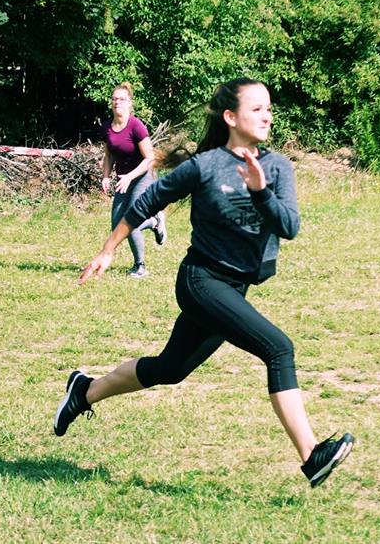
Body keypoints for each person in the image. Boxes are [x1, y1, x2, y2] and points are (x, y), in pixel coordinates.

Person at [55, 77, 354, 488]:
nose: (267, 116)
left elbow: (289, 227)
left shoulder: (277, 167)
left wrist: (261, 192)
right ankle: (311, 455)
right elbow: (147, 202)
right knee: (278, 348)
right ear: (230, 117)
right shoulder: (206, 166)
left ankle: (84, 391)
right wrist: (108, 250)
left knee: (170, 368)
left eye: (269, 108)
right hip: (201, 281)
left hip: (234, 288)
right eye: (256, 109)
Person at [101, 82, 167, 278]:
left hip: (143, 176)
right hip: (124, 179)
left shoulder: (136, 126)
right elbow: (108, 155)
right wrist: (106, 176)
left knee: (131, 221)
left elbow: (150, 158)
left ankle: (140, 266)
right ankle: (154, 221)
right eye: (114, 99)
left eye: (122, 99)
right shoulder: (106, 127)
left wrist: (130, 177)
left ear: (130, 102)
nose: (117, 102)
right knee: (117, 226)